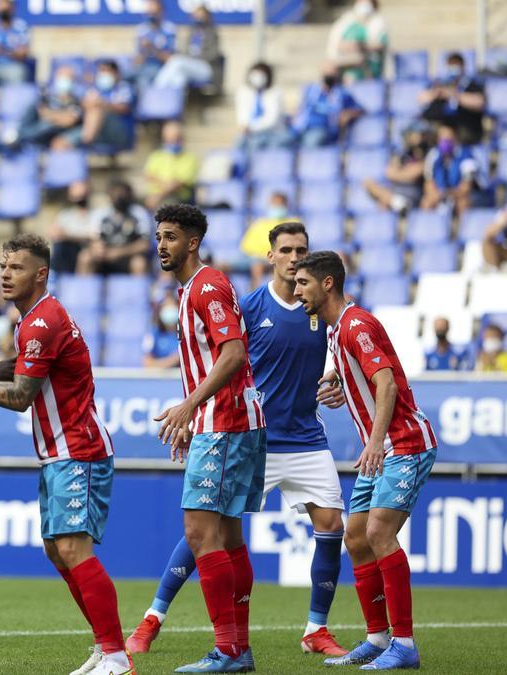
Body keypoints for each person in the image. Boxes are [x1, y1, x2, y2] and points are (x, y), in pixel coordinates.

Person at [129, 222, 350, 659]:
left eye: (300, 250)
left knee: (332, 528)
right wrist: (195, 411)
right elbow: (216, 359)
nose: (293, 256)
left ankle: (315, 629)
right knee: (205, 529)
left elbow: (345, 353)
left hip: (305, 436)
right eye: (284, 249)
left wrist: (338, 379)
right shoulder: (248, 306)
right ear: (269, 256)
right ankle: (153, 618)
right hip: (253, 435)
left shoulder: (321, 310)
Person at [0, 233, 132, 675]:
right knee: (57, 550)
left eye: (16, 267)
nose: (5, 274)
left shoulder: (41, 321)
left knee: (73, 547)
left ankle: (116, 654)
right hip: (58, 453)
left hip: (79, 449)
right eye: (3, 266)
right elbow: (13, 377)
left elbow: (19, 396)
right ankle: (103, 646)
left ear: (41, 273)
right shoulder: (31, 320)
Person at [293, 250, 438, 671]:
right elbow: (363, 376)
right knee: (355, 536)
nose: (297, 289)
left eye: (303, 283)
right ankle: (377, 638)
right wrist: (337, 384)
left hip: (405, 443)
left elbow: (387, 383)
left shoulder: (356, 325)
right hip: (384, 445)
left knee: (378, 532)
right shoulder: (337, 331)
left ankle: (405, 644)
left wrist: (374, 442)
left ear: (326, 284)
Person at [151, 204, 266, 673]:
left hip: (226, 420)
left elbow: (234, 353)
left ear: (193, 242)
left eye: (172, 236)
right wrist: (190, 419)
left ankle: (228, 650)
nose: (162, 244)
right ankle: (239, 649)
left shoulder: (208, 286)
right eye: (159, 235)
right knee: (228, 536)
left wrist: (191, 406)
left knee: (200, 534)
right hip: (221, 420)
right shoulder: (188, 291)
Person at [78, 181, 151, 276]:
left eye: (122, 194)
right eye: (115, 193)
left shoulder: (139, 213)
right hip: (104, 258)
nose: (119, 197)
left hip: (128, 258)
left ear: (130, 195)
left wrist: (118, 252)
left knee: (139, 263)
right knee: (85, 257)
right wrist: (97, 247)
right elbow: (93, 238)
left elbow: (144, 244)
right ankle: (83, 289)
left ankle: (138, 290)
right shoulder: (101, 214)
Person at [5, 65, 83, 150]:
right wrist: (58, 116)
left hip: (57, 133)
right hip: (41, 133)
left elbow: (69, 120)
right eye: (62, 78)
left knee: (47, 125)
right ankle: (17, 136)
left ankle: (18, 136)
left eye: (68, 79)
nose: (64, 81)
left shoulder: (77, 101)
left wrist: (51, 116)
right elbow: (42, 111)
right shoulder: (48, 97)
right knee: (33, 112)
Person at [419, 51, 487, 145]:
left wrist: (455, 95)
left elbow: (479, 102)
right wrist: (436, 93)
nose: (453, 70)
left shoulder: (472, 85)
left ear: (463, 67)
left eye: (455, 66)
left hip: (466, 128)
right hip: (441, 125)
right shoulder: (441, 84)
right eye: (450, 66)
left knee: (446, 133)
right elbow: (421, 99)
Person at [364, 123, 430, 216]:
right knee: (369, 184)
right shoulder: (403, 154)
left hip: (412, 195)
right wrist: (404, 172)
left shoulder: (427, 155)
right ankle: (397, 203)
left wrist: (400, 173)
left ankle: (397, 203)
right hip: (395, 193)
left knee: (384, 202)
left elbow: (414, 173)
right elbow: (389, 173)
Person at [153, 2, 221, 91]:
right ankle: (172, 103)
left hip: (206, 67)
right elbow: (185, 51)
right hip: (190, 66)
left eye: (200, 15)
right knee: (179, 77)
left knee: (176, 62)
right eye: (196, 15)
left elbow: (214, 54)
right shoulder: (192, 32)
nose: (198, 18)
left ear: (206, 16)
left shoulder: (212, 33)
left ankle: (156, 89)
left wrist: (195, 58)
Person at [291, 65, 362, 148]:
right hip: (300, 128)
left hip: (323, 130)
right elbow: (300, 106)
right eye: (327, 73)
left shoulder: (342, 93)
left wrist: (347, 114)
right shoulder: (310, 89)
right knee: (281, 141)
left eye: (331, 73)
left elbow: (360, 109)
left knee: (310, 143)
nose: (329, 75)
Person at [420, 123, 480, 216]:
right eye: (443, 138)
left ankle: (463, 229)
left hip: (460, 195)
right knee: (427, 201)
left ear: (456, 138)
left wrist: (448, 194)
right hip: (440, 194)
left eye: (449, 139)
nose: (445, 142)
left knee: (463, 203)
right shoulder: (433, 155)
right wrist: (437, 195)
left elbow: (466, 187)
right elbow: (428, 183)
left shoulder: (467, 156)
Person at [326, 0, 389, 81]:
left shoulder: (378, 22)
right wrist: (347, 46)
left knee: (350, 77)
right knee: (328, 68)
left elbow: (381, 44)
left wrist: (360, 46)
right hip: (345, 57)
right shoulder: (347, 20)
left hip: (366, 63)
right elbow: (336, 42)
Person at [142, 121, 199, 211]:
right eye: (171, 139)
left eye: (177, 139)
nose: (174, 142)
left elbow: (179, 183)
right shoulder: (156, 156)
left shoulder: (189, 159)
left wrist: (158, 196)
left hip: (178, 200)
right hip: (154, 199)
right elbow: (149, 175)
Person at [240, 192, 294, 285]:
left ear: (285, 205)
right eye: (274, 204)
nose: (276, 207)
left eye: (279, 204)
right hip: (259, 258)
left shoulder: (293, 223)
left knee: (276, 263)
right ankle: (255, 293)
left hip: (281, 257)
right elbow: (246, 246)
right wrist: (261, 254)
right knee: (256, 264)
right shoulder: (259, 223)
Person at [235, 62, 291, 153]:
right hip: (250, 133)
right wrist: (246, 126)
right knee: (239, 143)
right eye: (255, 74)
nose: (257, 78)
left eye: (261, 75)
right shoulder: (244, 92)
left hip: (273, 132)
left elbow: (271, 120)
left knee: (257, 144)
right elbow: (242, 116)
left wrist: (251, 127)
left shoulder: (275, 92)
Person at [80, 60, 135, 150]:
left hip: (119, 130)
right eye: (101, 71)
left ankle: (84, 142)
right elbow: (84, 105)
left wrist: (103, 104)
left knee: (97, 110)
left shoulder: (124, 88)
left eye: (107, 71)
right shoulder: (94, 89)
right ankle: (85, 140)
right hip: (98, 130)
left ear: (116, 73)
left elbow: (125, 108)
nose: (103, 74)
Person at [133, 0, 177, 88]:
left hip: (160, 67)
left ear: (161, 12)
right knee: (124, 75)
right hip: (144, 67)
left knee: (143, 80)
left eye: (154, 12)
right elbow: (137, 61)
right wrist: (144, 51)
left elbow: (170, 59)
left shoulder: (169, 29)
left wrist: (152, 48)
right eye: (149, 12)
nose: (151, 15)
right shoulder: (141, 30)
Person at [142, 292, 181, 369]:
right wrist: (173, 360)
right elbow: (147, 364)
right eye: (166, 306)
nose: (170, 310)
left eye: (172, 306)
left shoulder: (186, 333)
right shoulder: (153, 334)